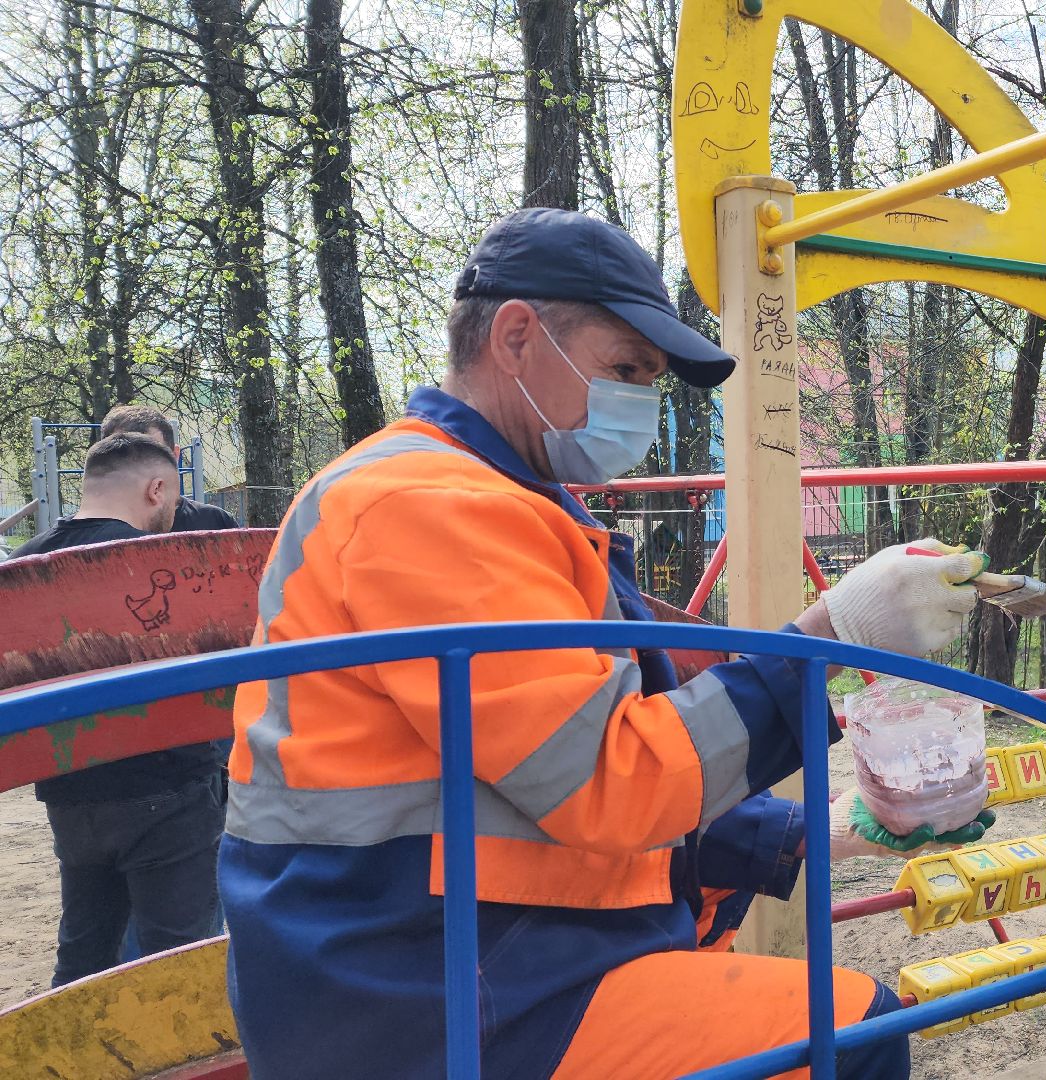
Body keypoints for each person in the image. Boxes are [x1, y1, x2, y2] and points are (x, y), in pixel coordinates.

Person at [222, 208, 991, 1079]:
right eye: (625, 369)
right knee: (852, 1031)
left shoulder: (498, 500)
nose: (640, 405)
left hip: (454, 952)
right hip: (418, 995)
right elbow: (609, 781)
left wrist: (817, 833)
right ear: (517, 337)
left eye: (650, 380)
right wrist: (832, 633)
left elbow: (536, 783)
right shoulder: (426, 506)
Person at [8, 433, 226, 986]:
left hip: (70, 797)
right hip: (169, 789)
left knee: (85, 954)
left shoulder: (22, 565)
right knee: (179, 963)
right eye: (173, 498)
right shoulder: (157, 562)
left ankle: (72, 1039)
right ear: (157, 489)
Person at [98, 403, 241, 532]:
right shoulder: (87, 534)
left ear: (174, 456)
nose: (139, 469)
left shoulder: (216, 524)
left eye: (151, 456)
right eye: (124, 457)